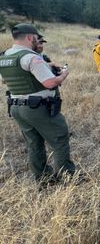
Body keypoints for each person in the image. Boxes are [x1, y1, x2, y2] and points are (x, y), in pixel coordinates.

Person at [0, 23, 76, 182]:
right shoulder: (32, 57)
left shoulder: (5, 56)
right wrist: (63, 75)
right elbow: (50, 83)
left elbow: (5, 81)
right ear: (29, 37)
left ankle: (43, 178)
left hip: (16, 106)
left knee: (34, 143)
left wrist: (46, 65)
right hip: (37, 107)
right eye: (36, 38)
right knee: (60, 138)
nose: (38, 40)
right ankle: (68, 176)